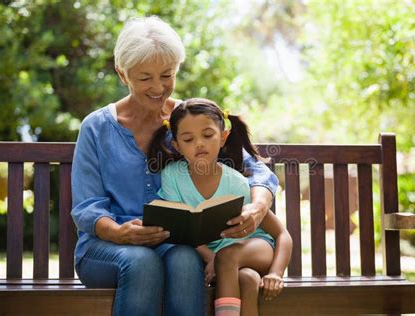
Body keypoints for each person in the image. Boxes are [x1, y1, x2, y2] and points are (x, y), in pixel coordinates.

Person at [71, 16, 279, 316]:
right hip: (105, 248)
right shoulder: (96, 127)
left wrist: (257, 208)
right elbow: (87, 208)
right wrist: (120, 232)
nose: (158, 88)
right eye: (145, 78)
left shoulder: (187, 120)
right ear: (122, 74)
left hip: (173, 244)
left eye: (167, 75)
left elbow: (257, 170)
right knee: (142, 262)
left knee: (184, 260)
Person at [147, 98, 292, 316]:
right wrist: (209, 257)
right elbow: (182, 228)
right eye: (188, 139)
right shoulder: (172, 176)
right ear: (176, 145)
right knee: (248, 279)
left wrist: (276, 273)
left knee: (227, 257)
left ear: (223, 137)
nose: (199, 144)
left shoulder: (236, 182)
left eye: (207, 135)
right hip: (226, 263)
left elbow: (282, 234)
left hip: (256, 248)